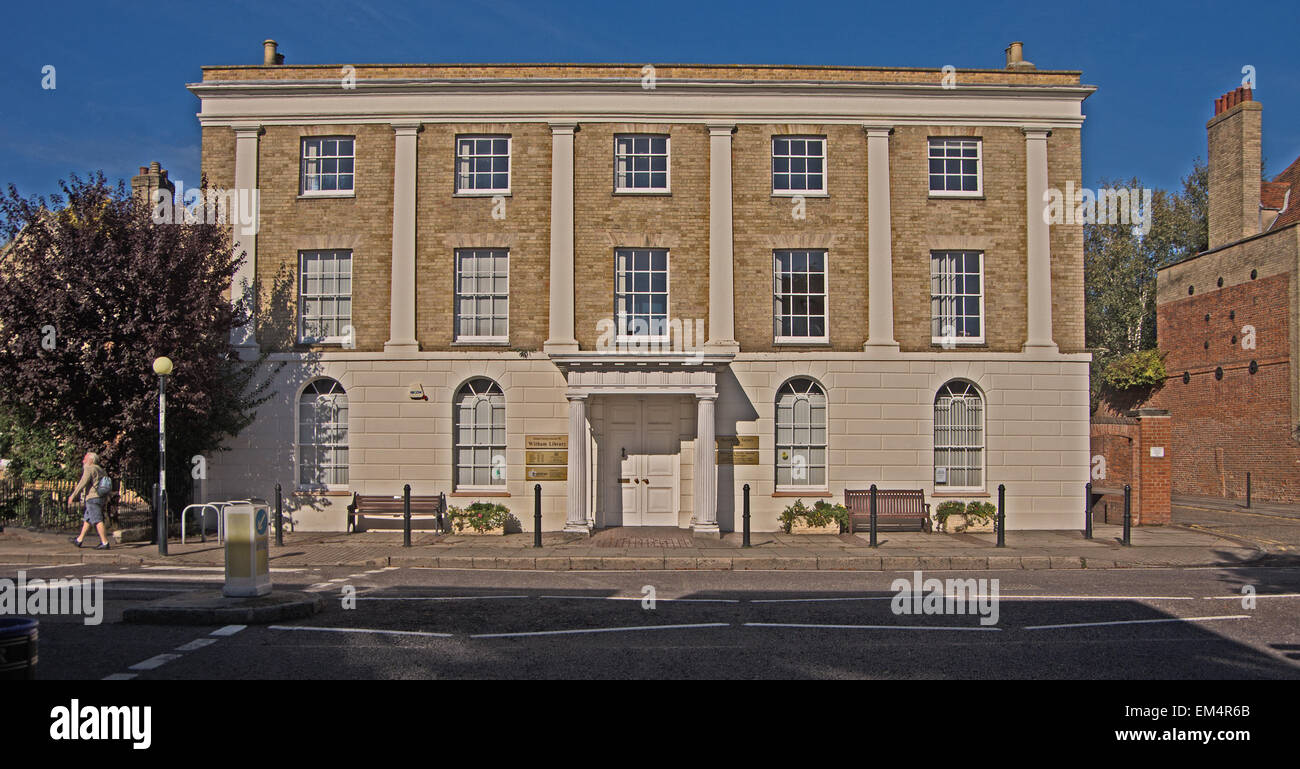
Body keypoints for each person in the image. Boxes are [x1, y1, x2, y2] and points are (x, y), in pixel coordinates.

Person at [68, 452, 110, 549]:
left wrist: (73, 495)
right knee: (88, 519)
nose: (83, 461)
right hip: (101, 497)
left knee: (97, 520)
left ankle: (105, 542)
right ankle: (79, 540)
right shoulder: (101, 469)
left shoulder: (89, 468)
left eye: (85, 459)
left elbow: (82, 482)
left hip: (93, 498)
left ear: (91, 460)